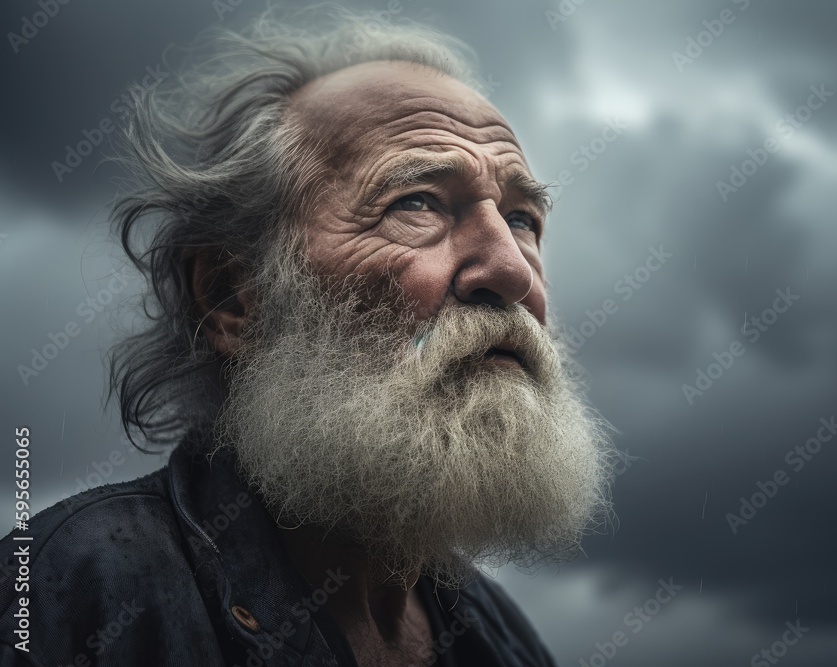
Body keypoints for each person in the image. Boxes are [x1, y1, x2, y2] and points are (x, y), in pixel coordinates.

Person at [0, 8, 616, 666]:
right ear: (233, 297)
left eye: (522, 217)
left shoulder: (505, 639)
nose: (513, 271)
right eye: (417, 202)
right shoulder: (70, 589)